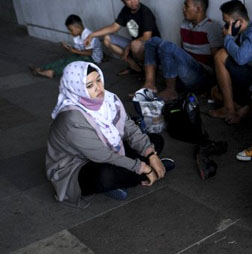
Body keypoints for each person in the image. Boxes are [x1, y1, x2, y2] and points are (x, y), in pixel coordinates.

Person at [46, 62, 174, 208]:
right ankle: (151, 173)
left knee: (155, 140)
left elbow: (129, 127)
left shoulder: (108, 99)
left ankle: (128, 177)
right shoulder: (72, 119)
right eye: (89, 86)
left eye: (98, 80)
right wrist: (146, 168)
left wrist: (151, 155)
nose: (99, 88)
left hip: (108, 149)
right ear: (77, 89)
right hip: (76, 167)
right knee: (105, 176)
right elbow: (103, 156)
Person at [142, 0, 223, 101]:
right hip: (186, 72)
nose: (183, 9)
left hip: (201, 76)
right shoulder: (184, 24)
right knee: (152, 41)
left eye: (186, 7)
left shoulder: (212, 27)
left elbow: (217, 60)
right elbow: (183, 52)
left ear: (198, 9)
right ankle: (149, 84)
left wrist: (214, 88)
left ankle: (171, 90)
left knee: (168, 47)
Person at [84, 0, 161, 76]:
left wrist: (129, 46)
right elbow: (113, 27)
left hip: (151, 48)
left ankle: (147, 70)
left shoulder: (145, 12)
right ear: (123, 1)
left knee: (135, 44)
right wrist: (92, 35)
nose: (133, 2)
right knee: (107, 38)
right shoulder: (125, 10)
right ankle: (134, 66)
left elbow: (147, 37)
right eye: (128, 0)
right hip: (134, 45)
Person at [30, 15, 103, 79]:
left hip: (92, 59)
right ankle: (41, 68)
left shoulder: (88, 35)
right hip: (83, 55)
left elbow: (89, 53)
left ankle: (52, 72)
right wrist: (68, 48)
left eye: (71, 30)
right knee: (65, 60)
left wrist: (74, 51)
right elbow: (79, 50)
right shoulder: (77, 36)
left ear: (77, 27)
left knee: (71, 63)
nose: (70, 32)